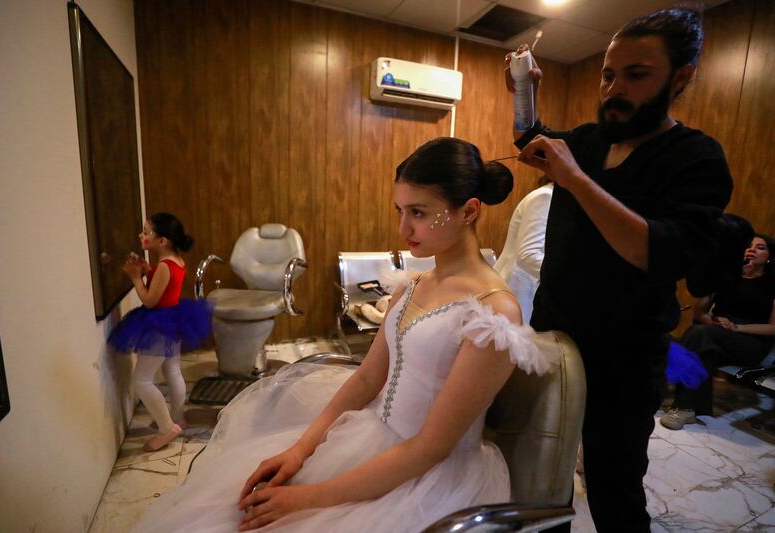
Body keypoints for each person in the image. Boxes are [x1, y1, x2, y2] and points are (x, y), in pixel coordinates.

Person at [131, 138, 557, 532]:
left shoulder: (494, 313)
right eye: (400, 210)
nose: (403, 229)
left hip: (427, 480)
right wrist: (301, 450)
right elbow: (368, 379)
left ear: (469, 211)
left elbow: (430, 448)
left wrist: (306, 499)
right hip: (369, 439)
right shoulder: (414, 285)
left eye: (420, 213)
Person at [504, 8, 733, 531]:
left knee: (614, 489)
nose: (613, 89)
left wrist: (577, 180)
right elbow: (532, 141)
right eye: (608, 74)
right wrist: (524, 93)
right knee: (544, 477)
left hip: (625, 361)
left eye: (635, 75)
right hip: (554, 340)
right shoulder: (590, 140)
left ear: (681, 77)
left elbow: (657, 253)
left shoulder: (697, 158)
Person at [108, 212, 212, 452]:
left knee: (141, 380)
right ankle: (177, 417)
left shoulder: (165, 266)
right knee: (172, 368)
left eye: (146, 232)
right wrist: (147, 270)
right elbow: (164, 285)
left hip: (158, 325)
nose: (141, 235)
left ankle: (167, 429)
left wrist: (136, 278)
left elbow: (150, 300)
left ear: (162, 241)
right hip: (174, 319)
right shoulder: (176, 260)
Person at [662, 234, 775, 429]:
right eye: (749, 245)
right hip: (716, 334)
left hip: (751, 341)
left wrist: (736, 327)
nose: (752, 249)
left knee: (697, 335)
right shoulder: (727, 277)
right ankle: (690, 409)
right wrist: (712, 319)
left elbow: (773, 328)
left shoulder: (772, 284)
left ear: (769, 257)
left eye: (760, 247)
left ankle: (669, 395)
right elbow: (700, 311)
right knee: (702, 344)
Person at [493, 176, 553, 322]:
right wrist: (567, 277)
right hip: (518, 288)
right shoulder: (545, 197)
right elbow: (528, 255)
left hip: (524, 288)